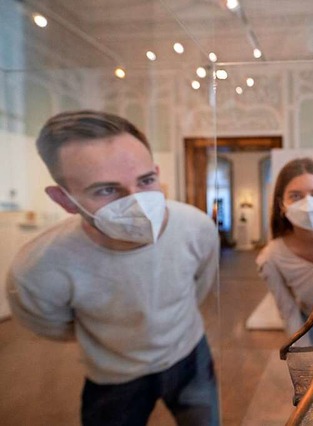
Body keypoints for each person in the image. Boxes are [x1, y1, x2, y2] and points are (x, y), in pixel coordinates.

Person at [6, 110, 220, 426]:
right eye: (106, 189)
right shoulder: (38, 268)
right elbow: (49, 323)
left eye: (146, 180)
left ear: (157, 173)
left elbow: (200, 285)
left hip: (191, 354)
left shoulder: (196, 227)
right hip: (113, 378)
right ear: (65, 200)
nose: (136, 202)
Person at [256, 158, 313, 347]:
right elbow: (288, 310)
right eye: (296, 196)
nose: (309, 203)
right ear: (281, 205)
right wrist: (303, 353)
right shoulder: (271, 257)